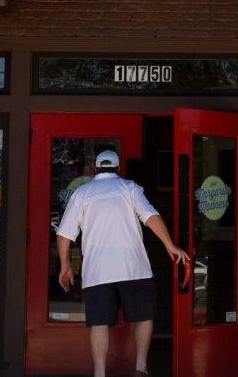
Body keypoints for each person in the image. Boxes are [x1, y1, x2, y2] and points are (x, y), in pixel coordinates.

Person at [57, 149, 188, 377]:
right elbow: (151, 217)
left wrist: (65, 266)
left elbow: (64, 235)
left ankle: (100, 373)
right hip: (133, 267)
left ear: (95, 169)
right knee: (144, 316)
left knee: (99, 323)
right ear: (118, 169)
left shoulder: (82, 193)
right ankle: (141, 367)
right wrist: (170, 245)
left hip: (97, 271)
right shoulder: (129, 188)